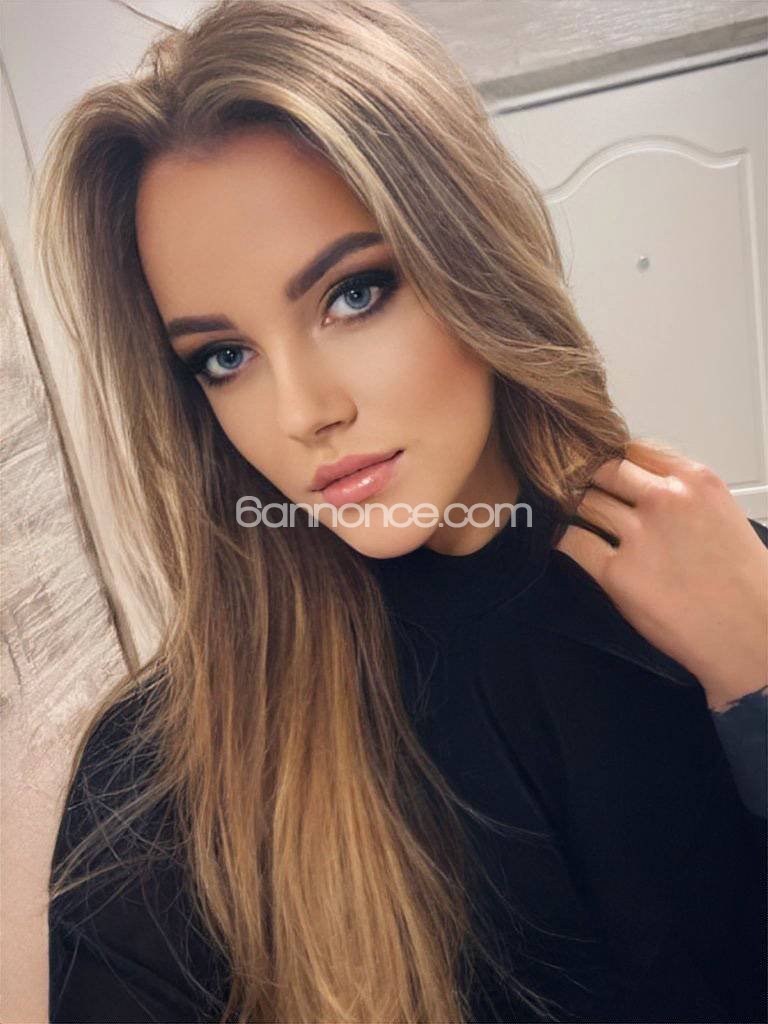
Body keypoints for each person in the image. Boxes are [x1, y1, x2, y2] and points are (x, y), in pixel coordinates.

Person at [34, 1, 767, 1021]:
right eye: (225, 357)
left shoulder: (720, 577)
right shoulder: (167, 769)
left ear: (475, 258)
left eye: (353, 294)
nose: (302, 413)